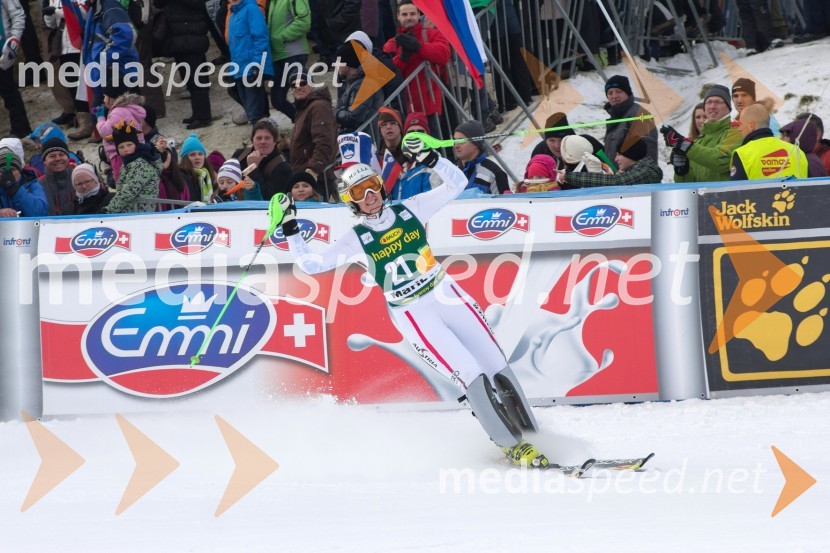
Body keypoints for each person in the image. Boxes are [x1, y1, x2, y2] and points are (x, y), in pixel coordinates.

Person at [275, 135, 549, 467]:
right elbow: (311, 264)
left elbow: (457, 183)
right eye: (360, 193)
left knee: (496, 364)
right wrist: (290, 228)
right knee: (470, 373)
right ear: (352, 202)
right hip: (413, 311)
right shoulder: (356, 238)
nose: (370, 196)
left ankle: (533, 435)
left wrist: (433, 159)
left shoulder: (411, 208)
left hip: (446, 293)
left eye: (372, 185)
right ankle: (511, 445)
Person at [382, 1, 450, 128]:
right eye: (404, 14)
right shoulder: (391, 44)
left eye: (413, 13)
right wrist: (403, 58)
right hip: (404, 108)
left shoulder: (431, 34)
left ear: (419, 14)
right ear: (398, 16)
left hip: (430, 106)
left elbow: (444, 55)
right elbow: (388, 75)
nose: (409, 17)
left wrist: (418, 47)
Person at [661, 84, 742, 183]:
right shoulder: (698, 142)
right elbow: (687, 186)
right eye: (709, 102)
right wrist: (681, 171)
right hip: (700, 198)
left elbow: (721, 160)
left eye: (718, 102)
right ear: (704, 108)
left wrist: (684, 145)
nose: (712, 106)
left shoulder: (736, 131)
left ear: (728, 108)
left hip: (725, 198)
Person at [154, 0, 213, 129]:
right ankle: (197, 113)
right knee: (189, 80)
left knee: (197, 80)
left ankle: (203, 116)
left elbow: (198, 4)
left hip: (192, 36)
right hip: (178, 36)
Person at [289, 69, 337, 199]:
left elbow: (324, 142)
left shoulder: (318, 106)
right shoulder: (304, 108)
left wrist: (313, 170)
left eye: (302, 83)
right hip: (305, 178)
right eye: (293, 85)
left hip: (315, 178)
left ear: (312, 85)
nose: (298, 87)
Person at [730, 104, 807, 181]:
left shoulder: (743, 154)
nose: (739, 129)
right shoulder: (797, 151)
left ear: (751, 126)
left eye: (740, 124)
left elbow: (736, 190)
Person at [227, 0, 274, 124]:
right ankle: (265, 130)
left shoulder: (251, 10)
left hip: (251, 67)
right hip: (239, 69)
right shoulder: (233, 14)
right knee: (249, 106)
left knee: (254, 112)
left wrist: (257, 65)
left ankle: (260, 136)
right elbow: (234, 47)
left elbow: (261, 38)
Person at [104, 120, 162, 214]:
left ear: (136, 144)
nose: (126, 149)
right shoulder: (128, 163)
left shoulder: (140, 163)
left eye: (129, 145)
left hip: (139, 213)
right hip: (132, 212)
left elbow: (129, 191)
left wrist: (109, 211)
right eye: (121, 147)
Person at [267, 0, 311, 121]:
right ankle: (302, 123)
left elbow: (304, 22)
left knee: (303, 96)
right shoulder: (272, 2)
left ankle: (311, 125)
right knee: (277, 100)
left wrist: (282, 37)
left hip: (295, 54)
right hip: (279, 56)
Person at [557, 138, 663, 188]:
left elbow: (615, 182)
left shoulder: (645, 171)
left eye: (619, 155)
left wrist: (569, 176)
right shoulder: (637, 170)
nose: (616, 159)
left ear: (631, 155)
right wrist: (596, 172)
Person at [334, 39, 385, 134]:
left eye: (339, 61)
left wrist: (334, 112)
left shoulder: (365, 84)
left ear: (348, 65)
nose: (336, 65)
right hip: (355, 137)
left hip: (365, 138)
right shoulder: (353, 83)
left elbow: (354, 117)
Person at [602, 75, 658, 162]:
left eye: (619, 91)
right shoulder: (616, 117)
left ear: (628, 93)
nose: (614, 96)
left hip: (631, 175)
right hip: (615, 174)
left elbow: (648, 154)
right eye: (610, 93)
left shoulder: (639, 115)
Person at [235, 118, 293, 200]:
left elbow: (269, 198)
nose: (263, 141)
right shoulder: (240, 155)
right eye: (259, 138)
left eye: (267, 138)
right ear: (252, 140)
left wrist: (252, 168)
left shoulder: (283, 168)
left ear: (275, 141)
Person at [0, 0, 33, 138]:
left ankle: (21, 129)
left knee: (7, 89)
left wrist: (14, 39)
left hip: (2, 50)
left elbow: (18, 14)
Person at [454, 120, 510, 194]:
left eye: (461, 141)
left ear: (476, 144)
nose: (456, 146)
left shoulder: (495, 173)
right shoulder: (452, 169)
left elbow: (503, 203)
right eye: (455, 141)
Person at [0, 144, 47, 217]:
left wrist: (15, 190)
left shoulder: (32, 185)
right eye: (2, 170)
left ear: (20, 172)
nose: (8, 174)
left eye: (12, 169)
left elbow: (40, 213)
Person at [38, 137, 77, 215]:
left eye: (62, 154)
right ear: (44, 161)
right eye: (52, 156)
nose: (58, 159)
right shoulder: (38, 185)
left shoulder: (79, 178)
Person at [179, 133, 216, 202]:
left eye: (200, 154)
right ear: (185, 158)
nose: (197, 157)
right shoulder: (182, 176)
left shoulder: (207, 175)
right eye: (192, 155)